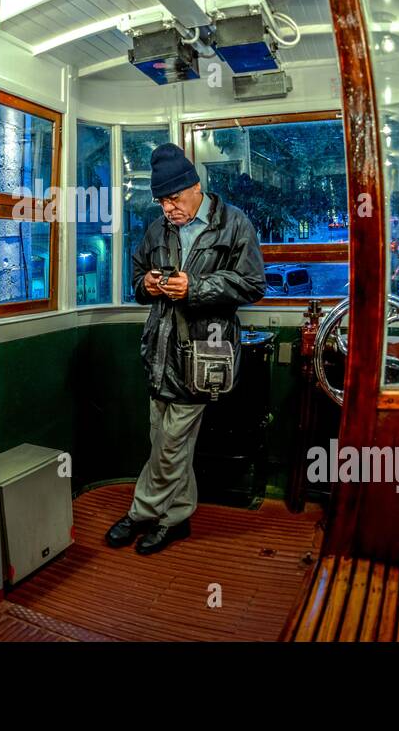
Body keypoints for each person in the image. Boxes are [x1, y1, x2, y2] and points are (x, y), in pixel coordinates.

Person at [106, 143, 265, 555]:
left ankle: (141, 513)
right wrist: (148, 286)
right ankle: (176, 517)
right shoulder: (157, 229)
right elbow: (137, 277)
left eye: (174, 198)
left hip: (203, 353)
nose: (168, 209)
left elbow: (253, 285)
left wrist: (197, 287)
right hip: (159, 350)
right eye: (161, 201)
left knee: (172, 442)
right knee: (164, 438)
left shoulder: (234, 223)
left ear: (196, 186)